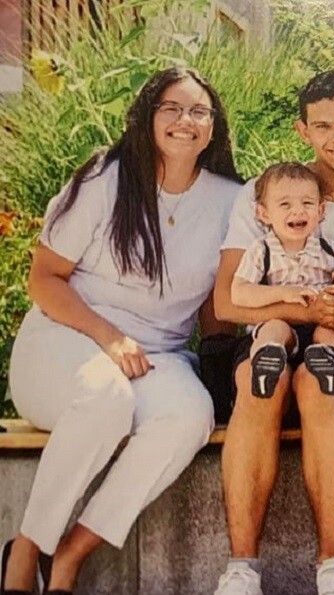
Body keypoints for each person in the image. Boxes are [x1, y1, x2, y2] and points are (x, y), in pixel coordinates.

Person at [0, 67, 242, 594]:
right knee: (106, 397)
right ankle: (26, 550)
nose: (185, 120)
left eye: (198, 111)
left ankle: (70, 554)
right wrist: (109, 337)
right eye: (171, 108)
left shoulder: (232, 200)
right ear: (147, 117)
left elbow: (219, 304)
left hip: (158, 357)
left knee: (190, 415)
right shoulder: (105, 179)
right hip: (65, 340)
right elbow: (44, 279)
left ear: (213, 126)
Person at [212, 71, 334, 595]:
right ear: (303, 131)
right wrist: (306, 308)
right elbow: (227, 302)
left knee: (320, 384)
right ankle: (241, 570)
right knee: (260, 381)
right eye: (323, 126)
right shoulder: (267, 194)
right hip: (272, 336)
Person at [230, 162, 334, 400]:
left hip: (319, 326)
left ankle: (331, 362)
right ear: (264, 213)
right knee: (274, 329)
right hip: (280, 323)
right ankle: (266, 364)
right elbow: (239, 292)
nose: (298, 211)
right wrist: (284, 293)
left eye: (307, 203)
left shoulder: (327, 250)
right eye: (285, 204)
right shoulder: (262, 250)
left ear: (320, 211)